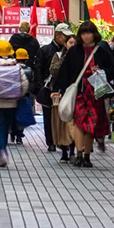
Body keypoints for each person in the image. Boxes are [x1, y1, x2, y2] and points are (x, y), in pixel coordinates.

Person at [52, 21, 112, 167]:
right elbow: (65, 70)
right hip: (79, 91)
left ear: (94, 34)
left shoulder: (102, 51)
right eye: (83, 33)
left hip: (95, 93)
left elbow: (112, 69)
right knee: (79, 123)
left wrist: (101, 71)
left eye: (89, 33)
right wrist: (58, 89)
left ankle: (87, 155)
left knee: (91, 125)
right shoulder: (74, 51)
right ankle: (79, 154)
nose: (86, 36)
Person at [0, 39, 29, 167]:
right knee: (7, 127)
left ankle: (2, 151)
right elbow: (24, 86)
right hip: (13, 103)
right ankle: (1, 152)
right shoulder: (17, 68)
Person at [41, 23, 73, 158]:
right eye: (66, 38)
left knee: (69, 119)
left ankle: (70, 145)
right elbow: (46, 70)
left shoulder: (77, 55)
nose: (66, 41)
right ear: (58, 35)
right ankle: (53, 142)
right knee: (53, 119)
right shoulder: (49, 51)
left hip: (71, 91)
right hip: (55, 91)